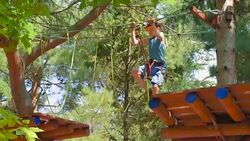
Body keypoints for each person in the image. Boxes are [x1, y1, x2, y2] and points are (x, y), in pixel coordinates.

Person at [130, 19, 167, 95]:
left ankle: (156, 97)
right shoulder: (149, 39)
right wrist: (132, 31)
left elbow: (159, 37)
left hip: (159, 66)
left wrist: (153, 24)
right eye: (148, 30)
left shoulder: (161, 35)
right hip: (150, 65)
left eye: (151, 30)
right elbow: (135, 43)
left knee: (155, 86)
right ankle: (148, 92)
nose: (149, 32)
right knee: (135, 72)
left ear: (158, 28)